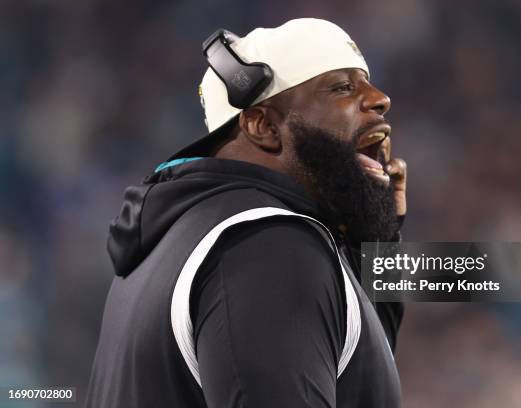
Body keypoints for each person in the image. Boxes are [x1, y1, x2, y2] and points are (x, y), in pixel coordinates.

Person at [86, 18, 406, 408]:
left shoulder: (189, 235)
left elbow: (360, 364)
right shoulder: (268, 247)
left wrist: (380, 239)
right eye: (342, 87)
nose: (380, 99)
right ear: (263, 126)